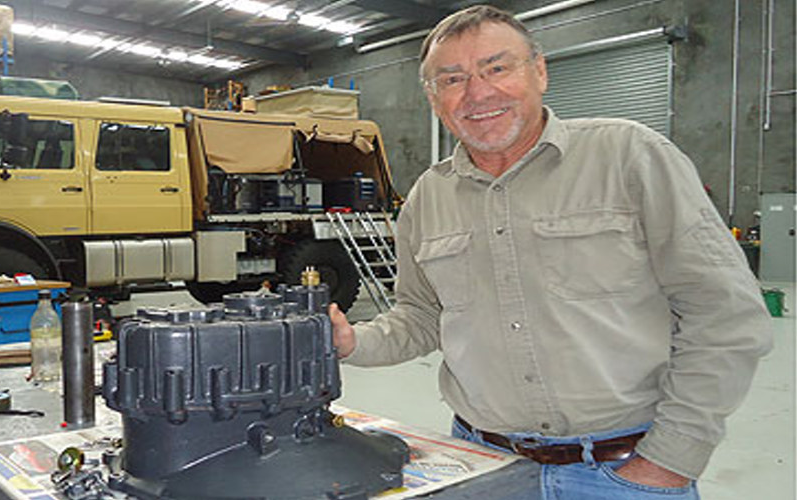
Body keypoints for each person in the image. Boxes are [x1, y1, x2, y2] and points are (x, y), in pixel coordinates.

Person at [328, 5, 773, 499]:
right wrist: (352, 341)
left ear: (539, 72)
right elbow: (421, 317)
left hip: (621, 471)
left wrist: (670, 459)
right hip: (483, 466)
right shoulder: (427, 199)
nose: (478, 93)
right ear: (434, 99)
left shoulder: (630, 157)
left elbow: (725, 312)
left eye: (497, 68)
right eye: (452, 79)